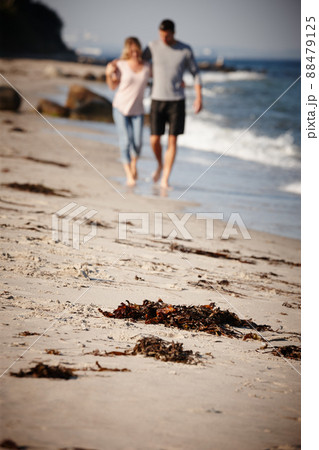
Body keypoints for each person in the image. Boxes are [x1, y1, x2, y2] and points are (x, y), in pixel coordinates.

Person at [143, 19, 202, 189]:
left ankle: (165, 178)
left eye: (167, 36)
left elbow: (195, 73)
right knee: (154, 139)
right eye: (161, 35)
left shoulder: (185, 49)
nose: (164, 39)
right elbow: (137, 60)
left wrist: (199, 98)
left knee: (172, 141)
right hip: (157, 99)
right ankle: (160, 165)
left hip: (177, 101)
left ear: (173, 33)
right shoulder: (152, 46)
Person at [106, 37, 151, 186]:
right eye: (130, 50)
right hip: (120, 108)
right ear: (127, 50)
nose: (134, 53)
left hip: (138, 110)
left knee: (137, 143)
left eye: (136, 49)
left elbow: (161, 78)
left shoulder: (147, 67)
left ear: (140, 49)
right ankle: (128, 175)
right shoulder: (120, 65)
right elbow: (112, 86)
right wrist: (108, 74)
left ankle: (133, 165)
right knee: (125, 141)